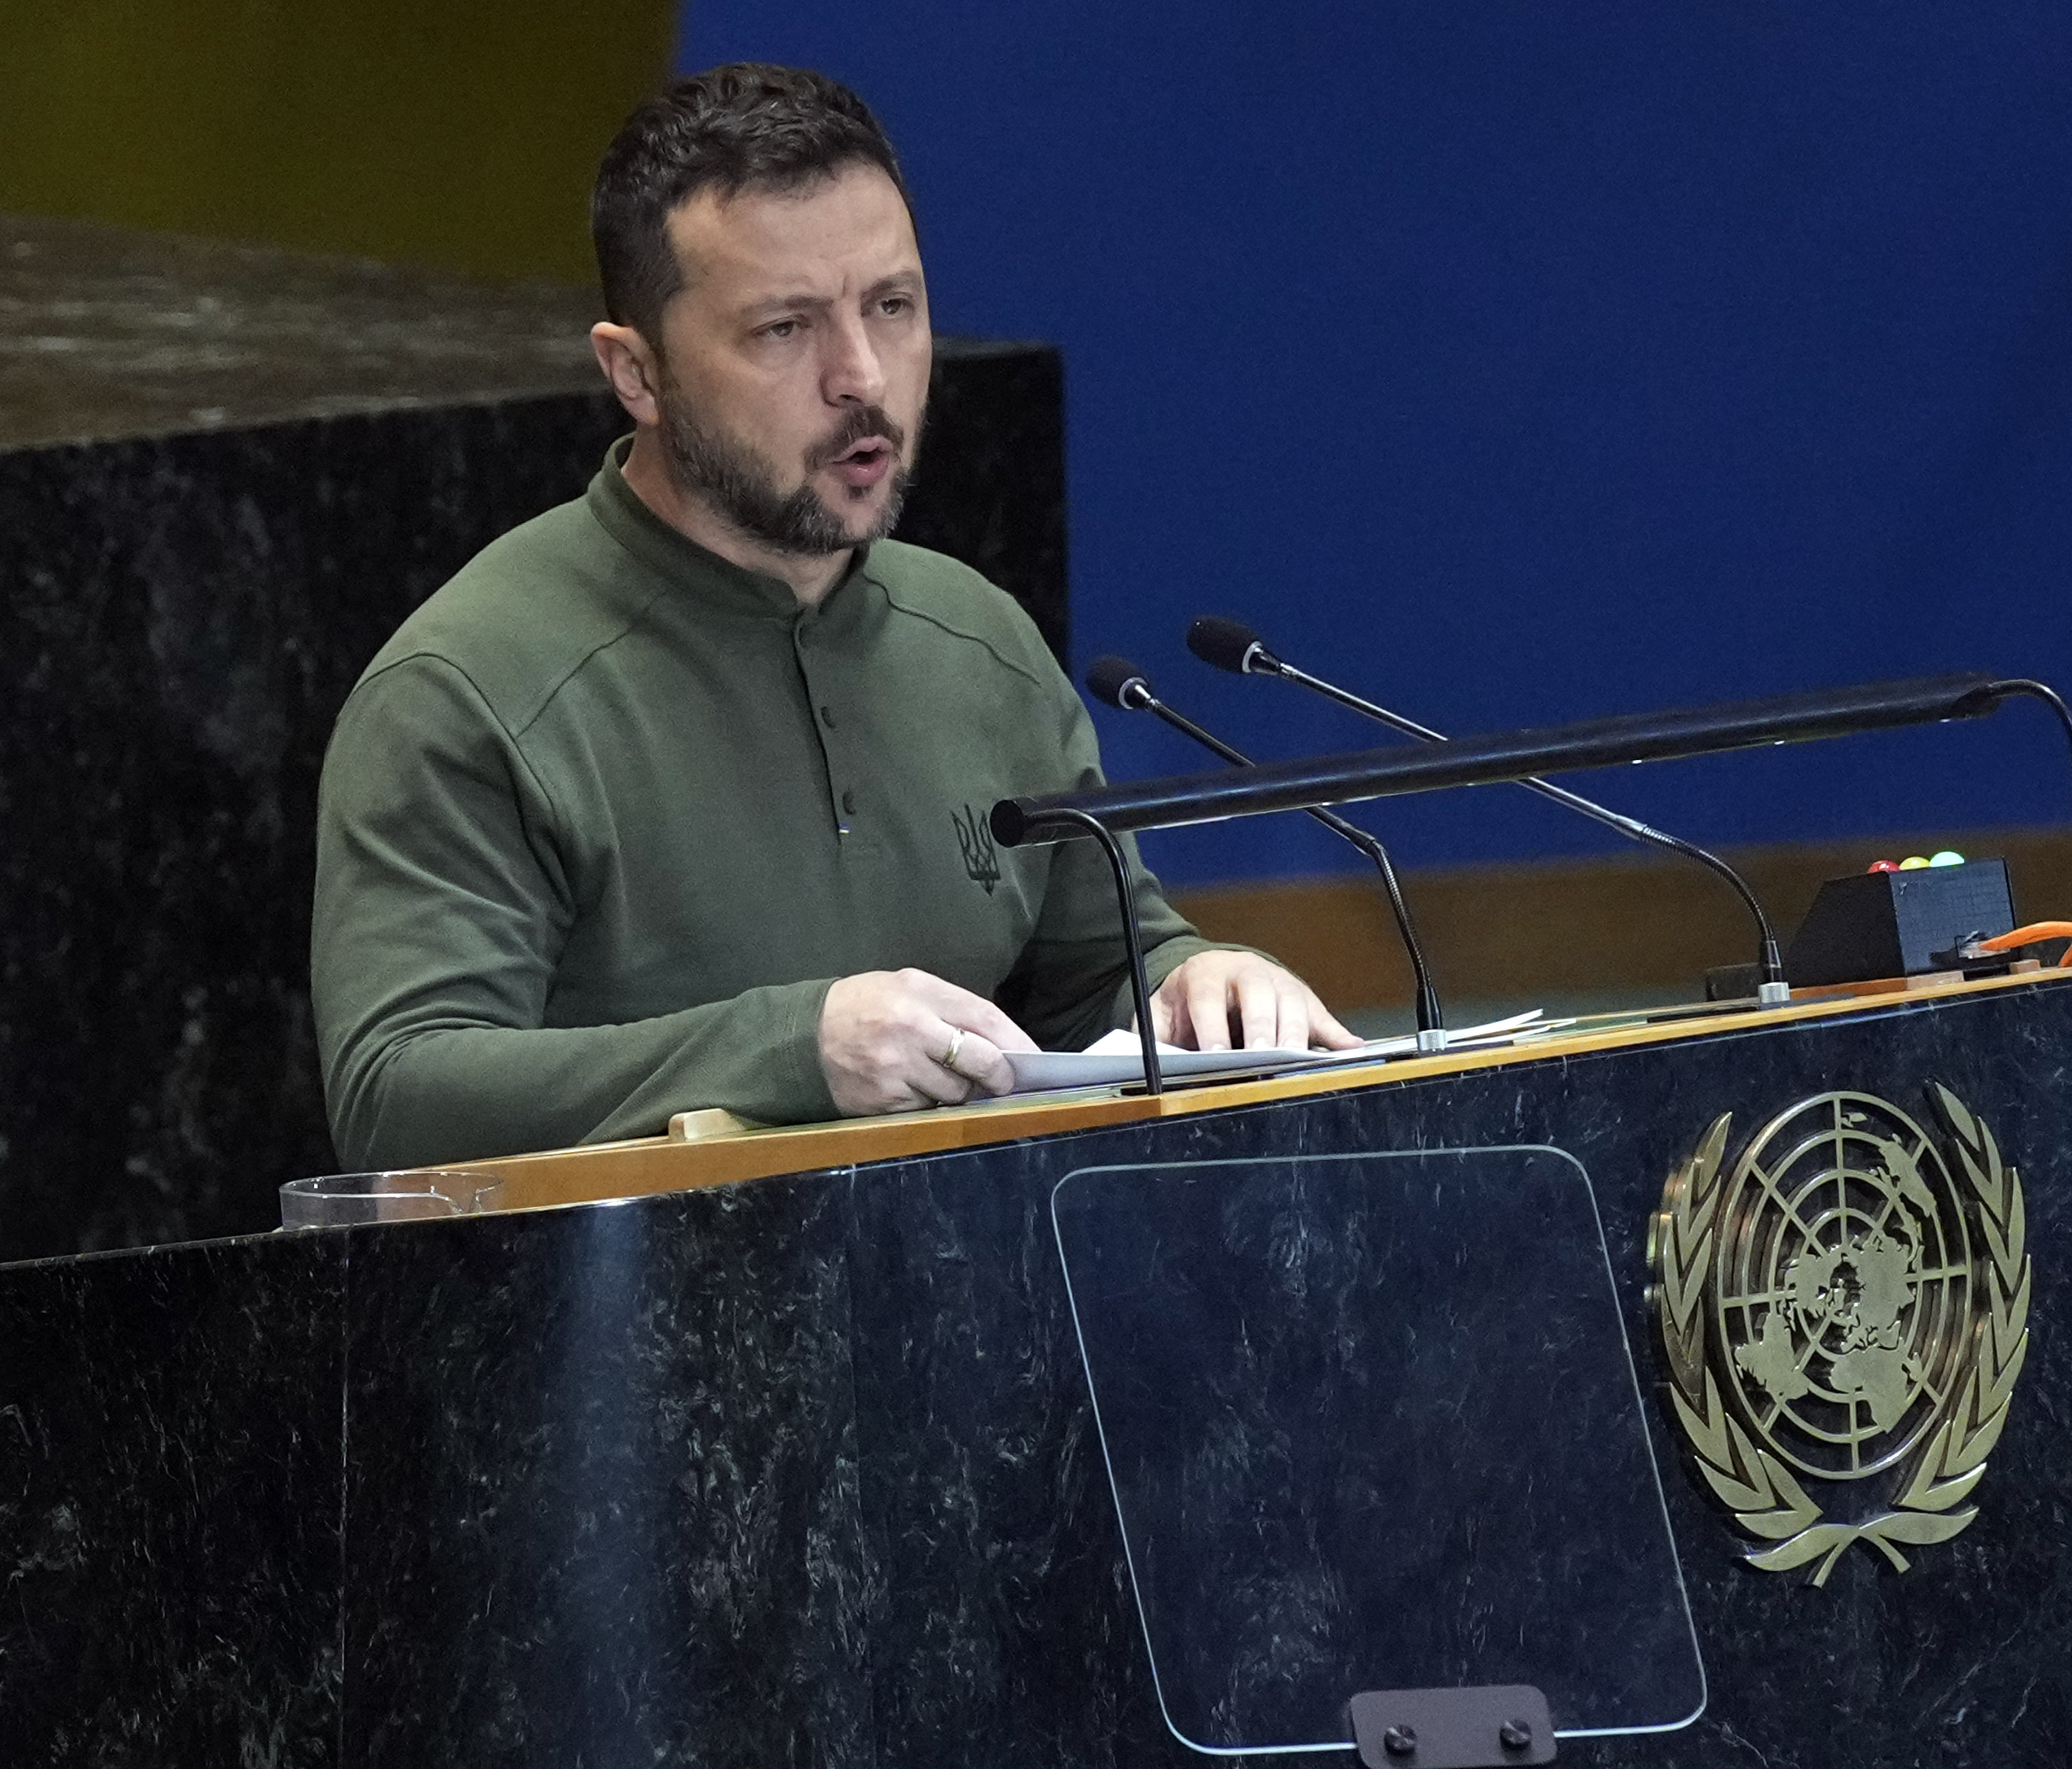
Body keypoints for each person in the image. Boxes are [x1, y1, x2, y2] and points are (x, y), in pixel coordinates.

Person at [311, 63, 1355, 1170]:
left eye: (892, 307)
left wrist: (1196, 985)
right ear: (637, 373)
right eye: (784, 329)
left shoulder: (979, 638)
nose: (862, 376)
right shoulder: (469, 690)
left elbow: (1097, 976)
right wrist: (792, 1048)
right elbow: (400, 1094)